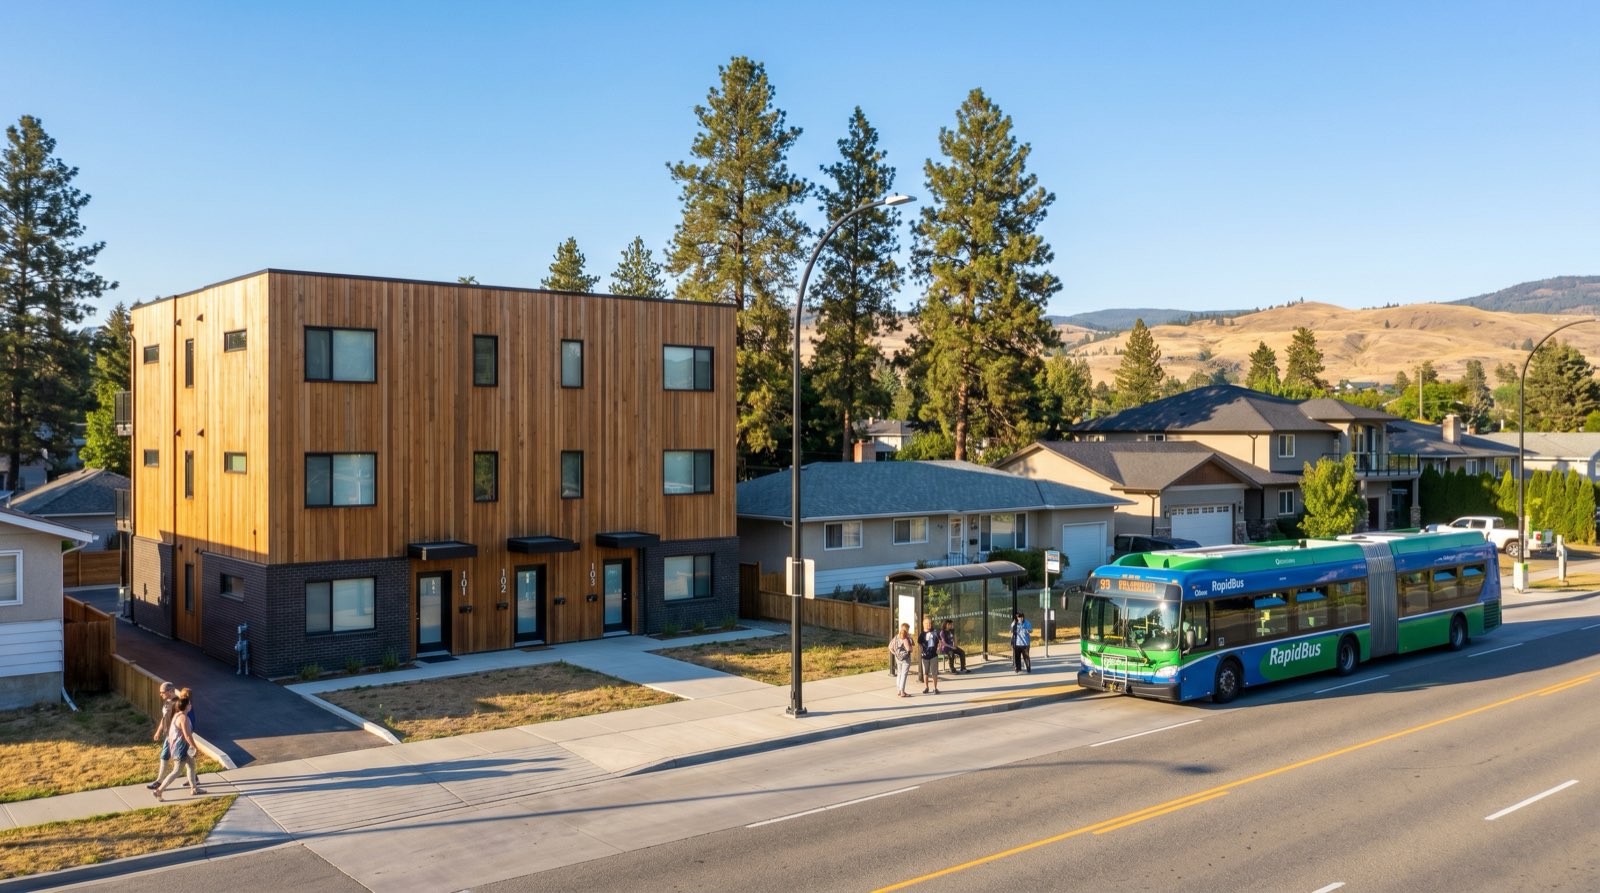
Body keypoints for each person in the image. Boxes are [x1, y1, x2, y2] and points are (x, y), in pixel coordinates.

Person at [152, 694, 202, 800]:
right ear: (186, 706)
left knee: (191, 766)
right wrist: (195, 747)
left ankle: (194, 788)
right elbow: (187, 735)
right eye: (189, 704)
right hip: (181, 749)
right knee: (176, 771)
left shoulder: (177, 715)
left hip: (179, 747)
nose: (191, 705)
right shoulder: (184, 718)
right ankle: (158, 791)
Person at [145, 682, 177, 790]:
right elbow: (164, 719)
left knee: (170, 757)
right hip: (168, 735)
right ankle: (194, 778)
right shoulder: (167, 702)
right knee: (182, 758)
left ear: (170, 691)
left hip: (174, 736)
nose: (161, 694)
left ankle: (159, 782)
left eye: (162, 692)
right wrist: (158, 731)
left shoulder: (177, 704)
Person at [889, 623, 914, 698]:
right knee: (904, 674)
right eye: (908, 629)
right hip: (906, 659)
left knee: (899, 673)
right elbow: (909, 649)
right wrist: (911, 648)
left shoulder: (896, 637)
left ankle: (899, 690)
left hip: (898, 658)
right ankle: (902, 691)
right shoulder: (906, 638)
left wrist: (895, 654)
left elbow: (890, 647)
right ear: (906, 629)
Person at [918, 618, 941, 694]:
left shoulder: (935, 632)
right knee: (925, 672)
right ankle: (926, 687)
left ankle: (935, 688)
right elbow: (919, 643)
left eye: (930, 623)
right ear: (924, 624)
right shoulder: (922, 634)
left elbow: (940, 641)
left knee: (934, 672)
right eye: (927, 623)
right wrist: (921, 650)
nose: (929, 625)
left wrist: (939, 648)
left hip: (934, 655)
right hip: (925, 656)